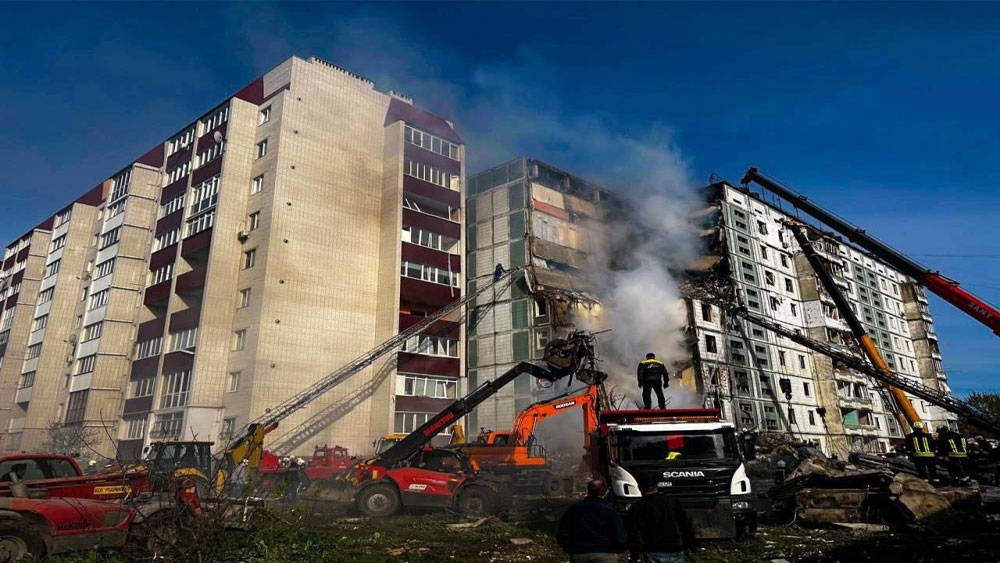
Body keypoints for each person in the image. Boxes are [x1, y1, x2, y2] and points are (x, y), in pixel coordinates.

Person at [556, 478, 626, 562]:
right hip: (605, 554)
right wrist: (619, 549)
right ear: (605, 492)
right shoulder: (610, 511)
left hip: (580, 553)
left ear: (588, 490)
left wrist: (570, 548)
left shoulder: (574, 509)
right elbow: (619, 535)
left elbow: (563, 532)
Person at [627, 477, 694, 563]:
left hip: (653, 549)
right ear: (657, 486)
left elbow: (636, 532)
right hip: (675, 548)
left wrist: (635, 554)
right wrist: (688, 544)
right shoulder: (673, 502)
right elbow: (685, 524)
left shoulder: (638, 507)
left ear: (640, 488)